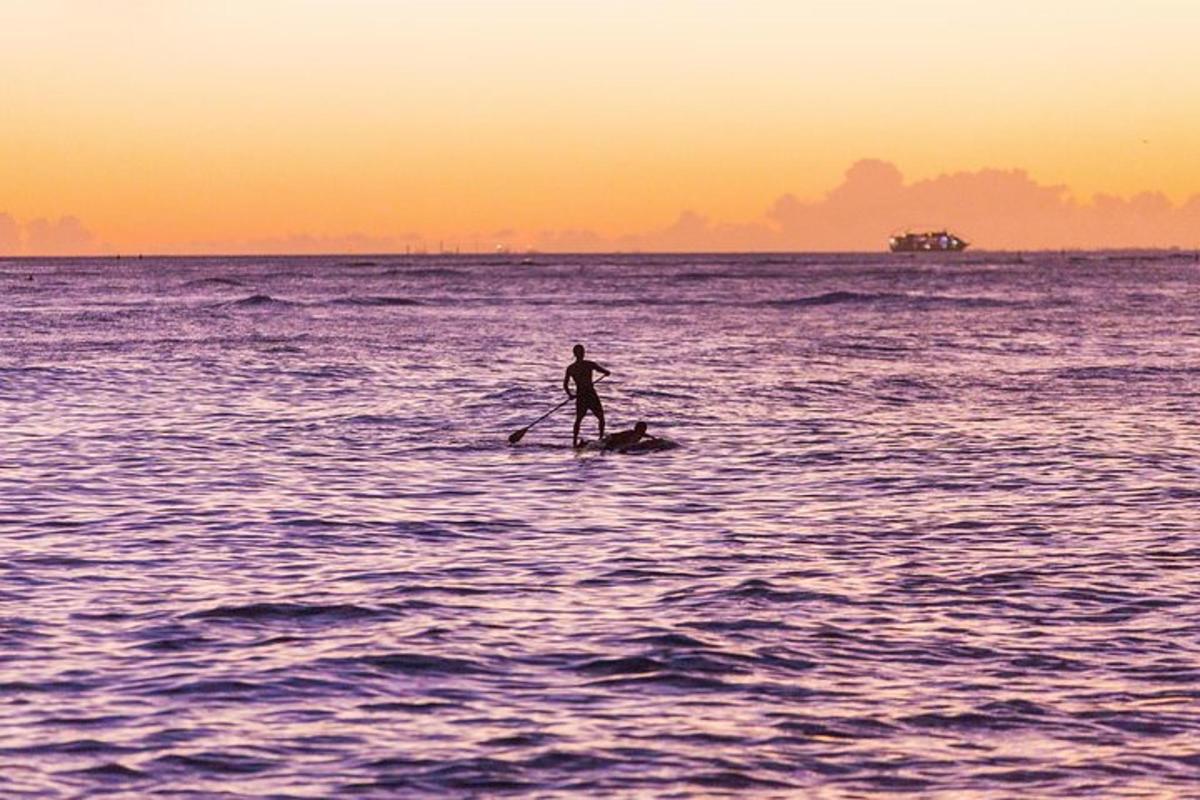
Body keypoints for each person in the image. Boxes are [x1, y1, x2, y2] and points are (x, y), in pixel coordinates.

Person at [563, 344, 610, 447]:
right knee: (600, 417)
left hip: (581, 396)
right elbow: (605, 371)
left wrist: (570, 394)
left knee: (579, 419)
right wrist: (607, 372)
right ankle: (600, 439)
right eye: (581, 352)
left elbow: (565, 385)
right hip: (590, 394)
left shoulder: (571, 368)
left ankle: (574, 442)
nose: (582, 354)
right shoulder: (588, 364)